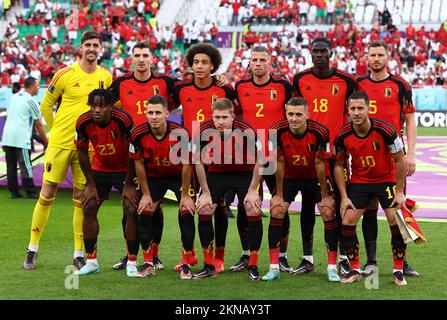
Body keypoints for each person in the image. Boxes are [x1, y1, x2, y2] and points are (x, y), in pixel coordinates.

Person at [23, 31, 113, 270]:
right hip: (61, 144)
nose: (92, 48)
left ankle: (78, 253)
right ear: (81, 48)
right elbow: (46, 104)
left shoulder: (106, 76)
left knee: (81, 199)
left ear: (100, 49)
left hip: (88, 148)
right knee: (47, 193)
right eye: (88, 45)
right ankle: (32, 249)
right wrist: (54, 133)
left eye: (96, 45)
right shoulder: (64, 74)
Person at [245, 97, 339, 282]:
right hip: (290, 177)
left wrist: (325, 195)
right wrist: (278, 194)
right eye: (290, 114)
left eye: (298, 114)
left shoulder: (320, 132)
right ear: (286, 113)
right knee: (277, 209)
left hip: (314, 177)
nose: (294, 118)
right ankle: (274, 268)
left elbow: (321, 163)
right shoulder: (277, 131)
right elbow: (278, 162)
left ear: (307, 115)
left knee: (328, 211)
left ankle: (332, 268)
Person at [109, 41, 179, 272]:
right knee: (129, 206)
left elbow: (190, 90)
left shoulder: (166, 82)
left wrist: (220, 80)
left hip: (157, 152)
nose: (141, 59)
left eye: (145, 55)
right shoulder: (120, 83)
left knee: (154, 207)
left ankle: (154, 255)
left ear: (152, 58)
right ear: (131, 58)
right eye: (137, 55)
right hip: (130, 154)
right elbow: (104, 104)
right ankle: (130, 254)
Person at [293, 37, 357, 276]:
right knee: (309, 205)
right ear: (310, 54)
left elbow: (356, 108)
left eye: (323, 51)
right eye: (315, 51)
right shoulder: (300, 79)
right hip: (307, 153)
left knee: (340, 205)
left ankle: (342, 258)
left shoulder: (347, 80)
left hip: (336, 156)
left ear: (331, 53)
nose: (319, 55)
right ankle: (308, 257)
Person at [357, 40, 419, 277]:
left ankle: (402, 262)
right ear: (366, 57)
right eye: (372, 55)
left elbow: (410, 118)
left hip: (394, 157)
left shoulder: (400, 84)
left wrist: (410, 153)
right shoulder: (359, 84)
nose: (376, 58)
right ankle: (371, 261)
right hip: (365, 156)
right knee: (369, 207)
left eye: (380, 54)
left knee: (398, 208)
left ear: (387, 57)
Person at [333, 91, 408, 286]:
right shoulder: (342, 135)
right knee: (348, 220)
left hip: (387, 180)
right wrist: (343, 196)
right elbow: (338, 165)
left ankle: (398, 271)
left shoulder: (386, 130)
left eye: (360, 108)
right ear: (347, 110)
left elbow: (400, 159)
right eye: (352, 109)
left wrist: (399, 192)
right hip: (361, 182)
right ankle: (355, 269)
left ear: (369, 109)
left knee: (395, 219)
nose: (356, 112)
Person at [172, 43, 235, 273]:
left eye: (204, 63)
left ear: (213, 66)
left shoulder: (225, 90)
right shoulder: (180, 89)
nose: (199, 66)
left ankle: (218, 257)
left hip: (216, 158)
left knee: (218, 207)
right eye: (196, 62)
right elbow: (162, 110)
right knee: (186, 208)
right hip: (189, 156)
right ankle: (188, 256)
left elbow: (235, 117)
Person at [231, 45, 293, 273]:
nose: (257, 63)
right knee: (247, 206)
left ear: (270, 62)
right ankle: (247, 254)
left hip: (277, 156)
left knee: (280, 205)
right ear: (249, 62)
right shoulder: (240, 86)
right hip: (248, 157)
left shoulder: (283, 86)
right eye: (254, 60)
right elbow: (234, 114)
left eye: (262, 60)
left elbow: (294, 112)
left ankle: (282, 256)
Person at [193, 98, 263, 281]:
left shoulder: (246, 130)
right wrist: (206, 192)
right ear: (212, 116)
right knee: (205, 209)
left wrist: (253, 189)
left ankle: (253, 265)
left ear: (232, 115)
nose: (221, 122)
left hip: (245, 173)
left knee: (252, 208)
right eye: (217, 117)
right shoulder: (203, 129)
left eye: (225, 117)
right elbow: (197, 160)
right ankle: (209, 265)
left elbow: (262, 158)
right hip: (218, 173)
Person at [128, 95, 196, 279]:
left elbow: (187, 164)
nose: (154, 116)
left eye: (158, 112)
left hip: (178, 176)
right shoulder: (137, 134)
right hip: (154, 177)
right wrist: (146, 195)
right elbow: (139, 165)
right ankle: (148, 262)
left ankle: (186, 263)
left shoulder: (181, 133)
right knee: (145, 210)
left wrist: (185, 194)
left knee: (186, 210)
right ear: (145, 113)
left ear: (167, 113)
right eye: (150, 112)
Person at [73, 89, 133, 276]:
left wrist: (129, 183)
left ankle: (131, 261)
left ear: (110, 106)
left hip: (125, 170)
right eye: (93, 106)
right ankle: (91, 262)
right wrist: (90, 185)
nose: (96, 110)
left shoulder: (123, 119)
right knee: (88, 206)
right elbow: (82, 153)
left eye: (101, 105)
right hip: (100, 169)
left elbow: (134, 152)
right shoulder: (83, 122)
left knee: (131, 208)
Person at [2, 77, 48, 200]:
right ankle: (30, 191)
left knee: (10, 166)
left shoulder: (14, 97)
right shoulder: (31, 101)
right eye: (38, 85)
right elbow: (38, 124)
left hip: (7, 136)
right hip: (20, 138)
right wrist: (45, 141)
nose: (39, 87)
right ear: (32, 86)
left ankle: (14, 192)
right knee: (25, 165)